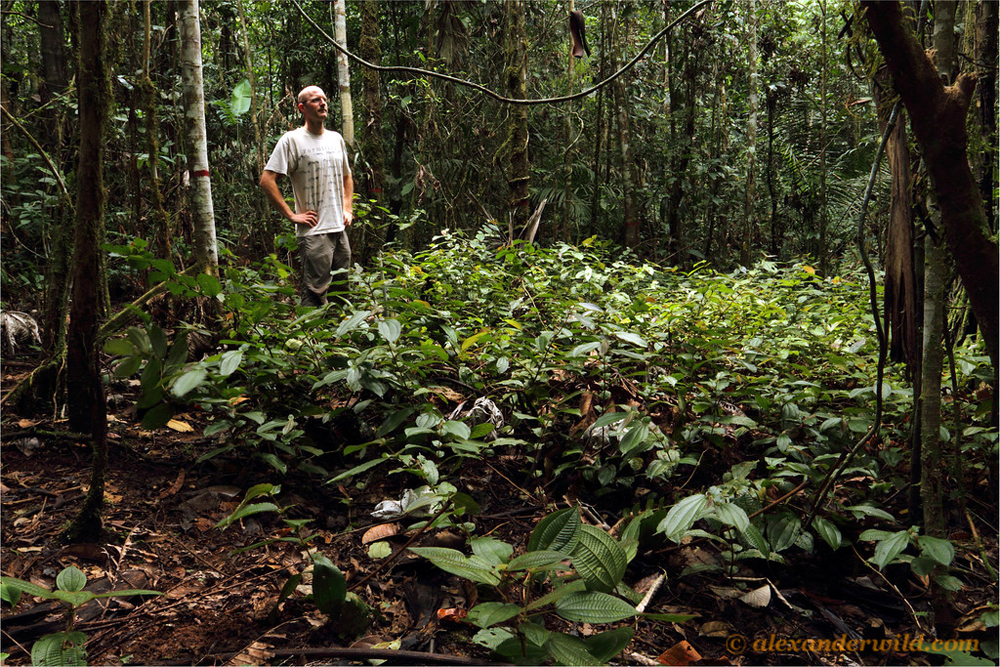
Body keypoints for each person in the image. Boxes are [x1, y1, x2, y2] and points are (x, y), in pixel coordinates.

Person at [260, 85, 354, 307]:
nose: (323, 103)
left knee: (342, 289)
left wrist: (347, 209)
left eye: (324, 98)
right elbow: (267, 180)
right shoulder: (292, 140)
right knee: (315, 292)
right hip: (314, 231)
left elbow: (347, 177)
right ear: (302, 108)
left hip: (339, 228)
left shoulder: (336, 138)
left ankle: (339, 338)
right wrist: (292, 215)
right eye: (315, 100)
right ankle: (308, 338)